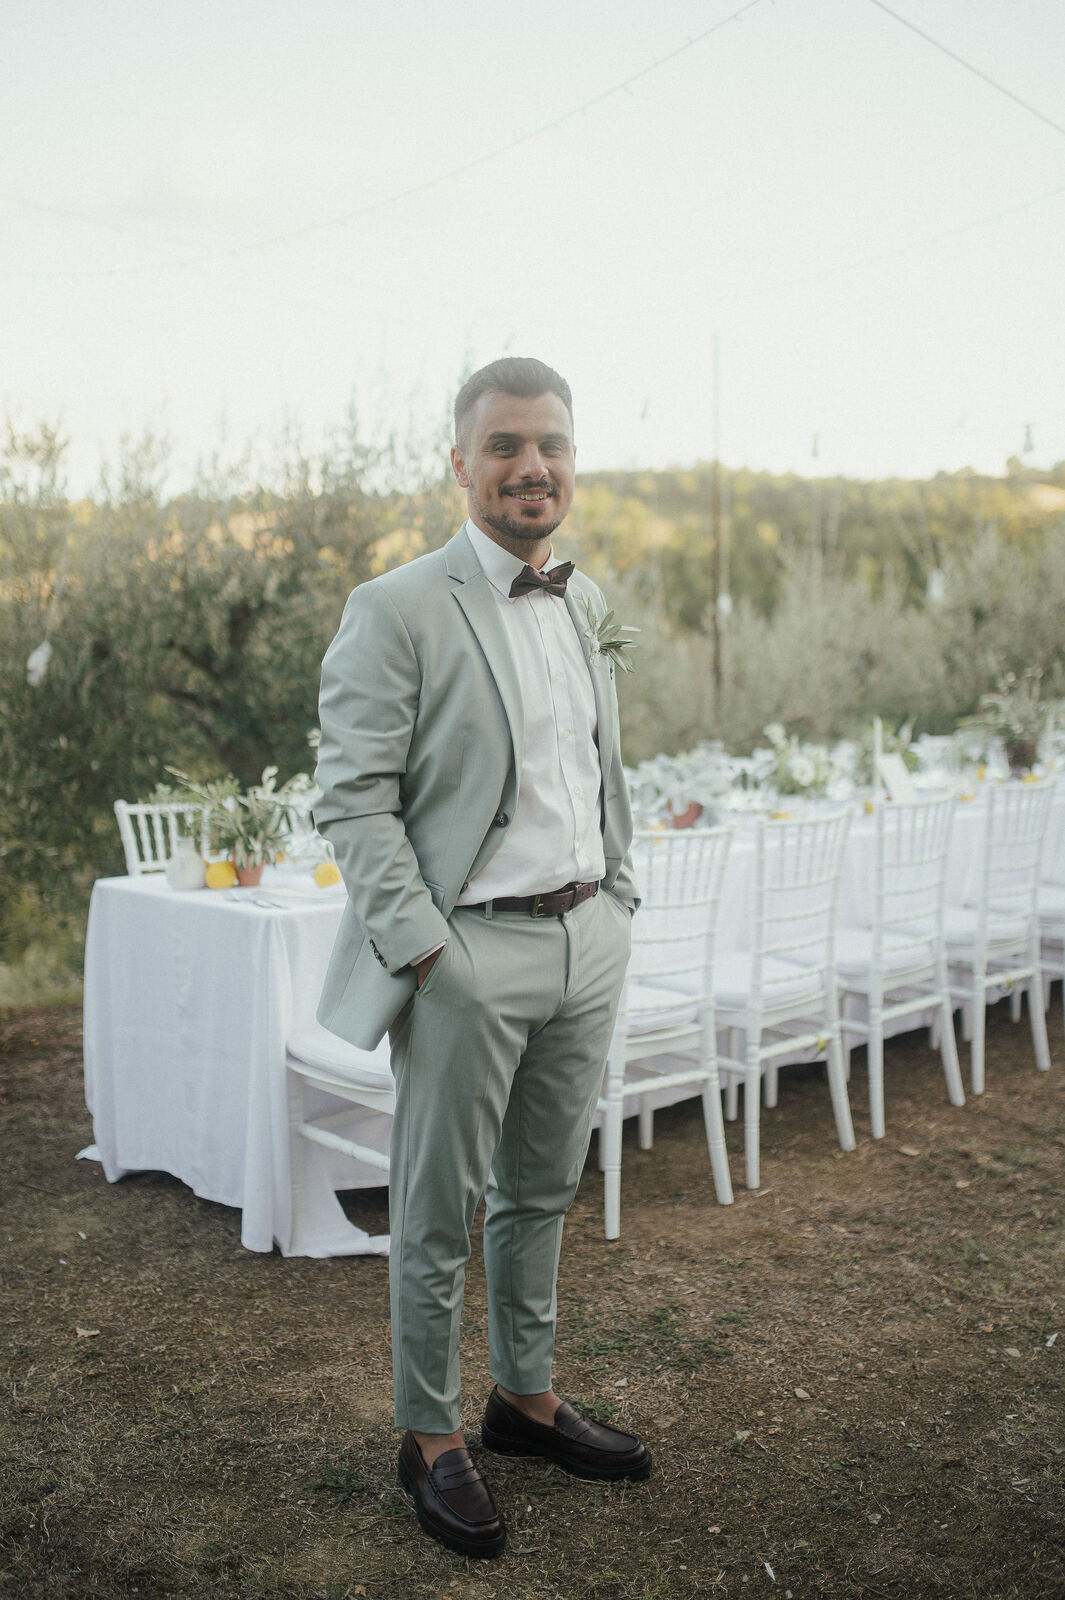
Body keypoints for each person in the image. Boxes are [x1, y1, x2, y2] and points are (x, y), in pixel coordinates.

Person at [314, 356, 649, 1559]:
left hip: (583, 943)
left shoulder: (585, 596)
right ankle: (429, 1432)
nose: (531, 467)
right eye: (504, 445)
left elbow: (594, 766)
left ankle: (524, 1396)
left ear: (573, 457)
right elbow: (352, 802)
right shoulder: (398, 606)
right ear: (460, 464)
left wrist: (616, 896)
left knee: (544, 1189)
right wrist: (429, 954)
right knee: (441, 1208)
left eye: (549, 443)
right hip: (467, 956)